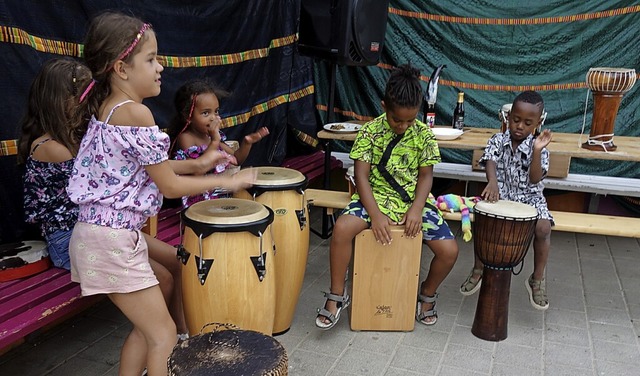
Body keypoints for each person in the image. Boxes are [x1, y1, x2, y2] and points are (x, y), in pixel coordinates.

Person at [67, 12, 254, 376]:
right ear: (121, 68)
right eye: (151, 59)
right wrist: (227, 181)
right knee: (162, 334)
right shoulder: (137, 114)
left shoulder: (112, 108)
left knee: (155, 308)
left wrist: (199, 166)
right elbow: (168, 185)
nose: (160, 67)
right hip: (111, 240)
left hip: (101, 234)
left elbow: (145, 169)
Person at [16, 58, 213, 342]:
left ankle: (178, 334)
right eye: (83, 96)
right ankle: (161, 338)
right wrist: (194, 167)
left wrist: (196, 165)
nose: (92, 101)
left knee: (178, 260)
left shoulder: (84, 135)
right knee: (164, 279)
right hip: (72, 237)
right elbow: (126, 176)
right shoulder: (53, 147)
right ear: (59, 101)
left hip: (105, 228)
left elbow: (139, 168)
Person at [315, 64, 459, 330]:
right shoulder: (370, 132)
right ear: (384, 106)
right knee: (342, 229)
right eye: (397, 120)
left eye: (409, 120)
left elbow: (426, 177)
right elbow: (361, 178)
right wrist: (376, 215)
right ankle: (337, 295)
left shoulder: (424, 135)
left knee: (449, 251)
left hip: (412, 202)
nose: (403, 126)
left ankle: (426, 296)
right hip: (374, 198)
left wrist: (416, 209)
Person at [459, 90, 553, 311]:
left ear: (537, 123)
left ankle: (537, 279)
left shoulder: (538, 147)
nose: (520, 126)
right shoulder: (498, 139)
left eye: (527, 123)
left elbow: (535, 178)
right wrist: (492, 182)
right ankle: (478, 268)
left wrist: (538, 151)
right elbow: (490, 159)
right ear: (508, 117)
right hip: (500, 195)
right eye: (516, 120)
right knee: (483, 218)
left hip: (530, 200)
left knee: (543, 228)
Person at [168, 79, 269, 207]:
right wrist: (215, 141)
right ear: (187, 116)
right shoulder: (186, 138)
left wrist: (247, 142)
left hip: (219, 194)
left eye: (216, 111)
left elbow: (236, 159)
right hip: (198, 201)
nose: (213, 117)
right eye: (206, 113)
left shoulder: (211, 136)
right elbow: (198, 171)